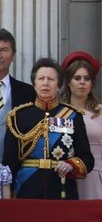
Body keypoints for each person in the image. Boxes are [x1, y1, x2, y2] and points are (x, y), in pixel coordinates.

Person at [3, 58, 94, 199]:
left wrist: (71, 165)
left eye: (51, 79)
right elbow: (9, 162)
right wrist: (7, 194)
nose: (45, 83)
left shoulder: (73, 116)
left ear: (59, 85)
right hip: (27, 188)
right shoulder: (18, 116)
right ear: (34, 84)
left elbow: (87, 158)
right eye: (41, 78)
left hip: (62, 189)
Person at [60, 51, 102, 199]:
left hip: (95, 178)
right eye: (77, 78)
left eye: (87, 79)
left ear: (92, 83)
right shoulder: (58, 112)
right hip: (64, 177)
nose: (82, 82)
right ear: (68, 82)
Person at [0, 29, 37, 164]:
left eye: (5, 50)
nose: (0, 55)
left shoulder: (28, 93)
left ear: (13, 55)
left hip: (14, 171)